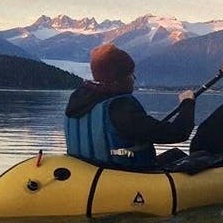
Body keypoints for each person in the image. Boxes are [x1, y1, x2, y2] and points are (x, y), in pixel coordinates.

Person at [64, 43, 195, 170]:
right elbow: (178, 133)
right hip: (128, 177)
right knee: (200, 158)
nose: (134, 78)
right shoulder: (120, 108)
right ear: (118, 79)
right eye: (130, 74)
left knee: (176, 155)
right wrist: (187, 102)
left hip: (89, 176)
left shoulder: (76, 101)